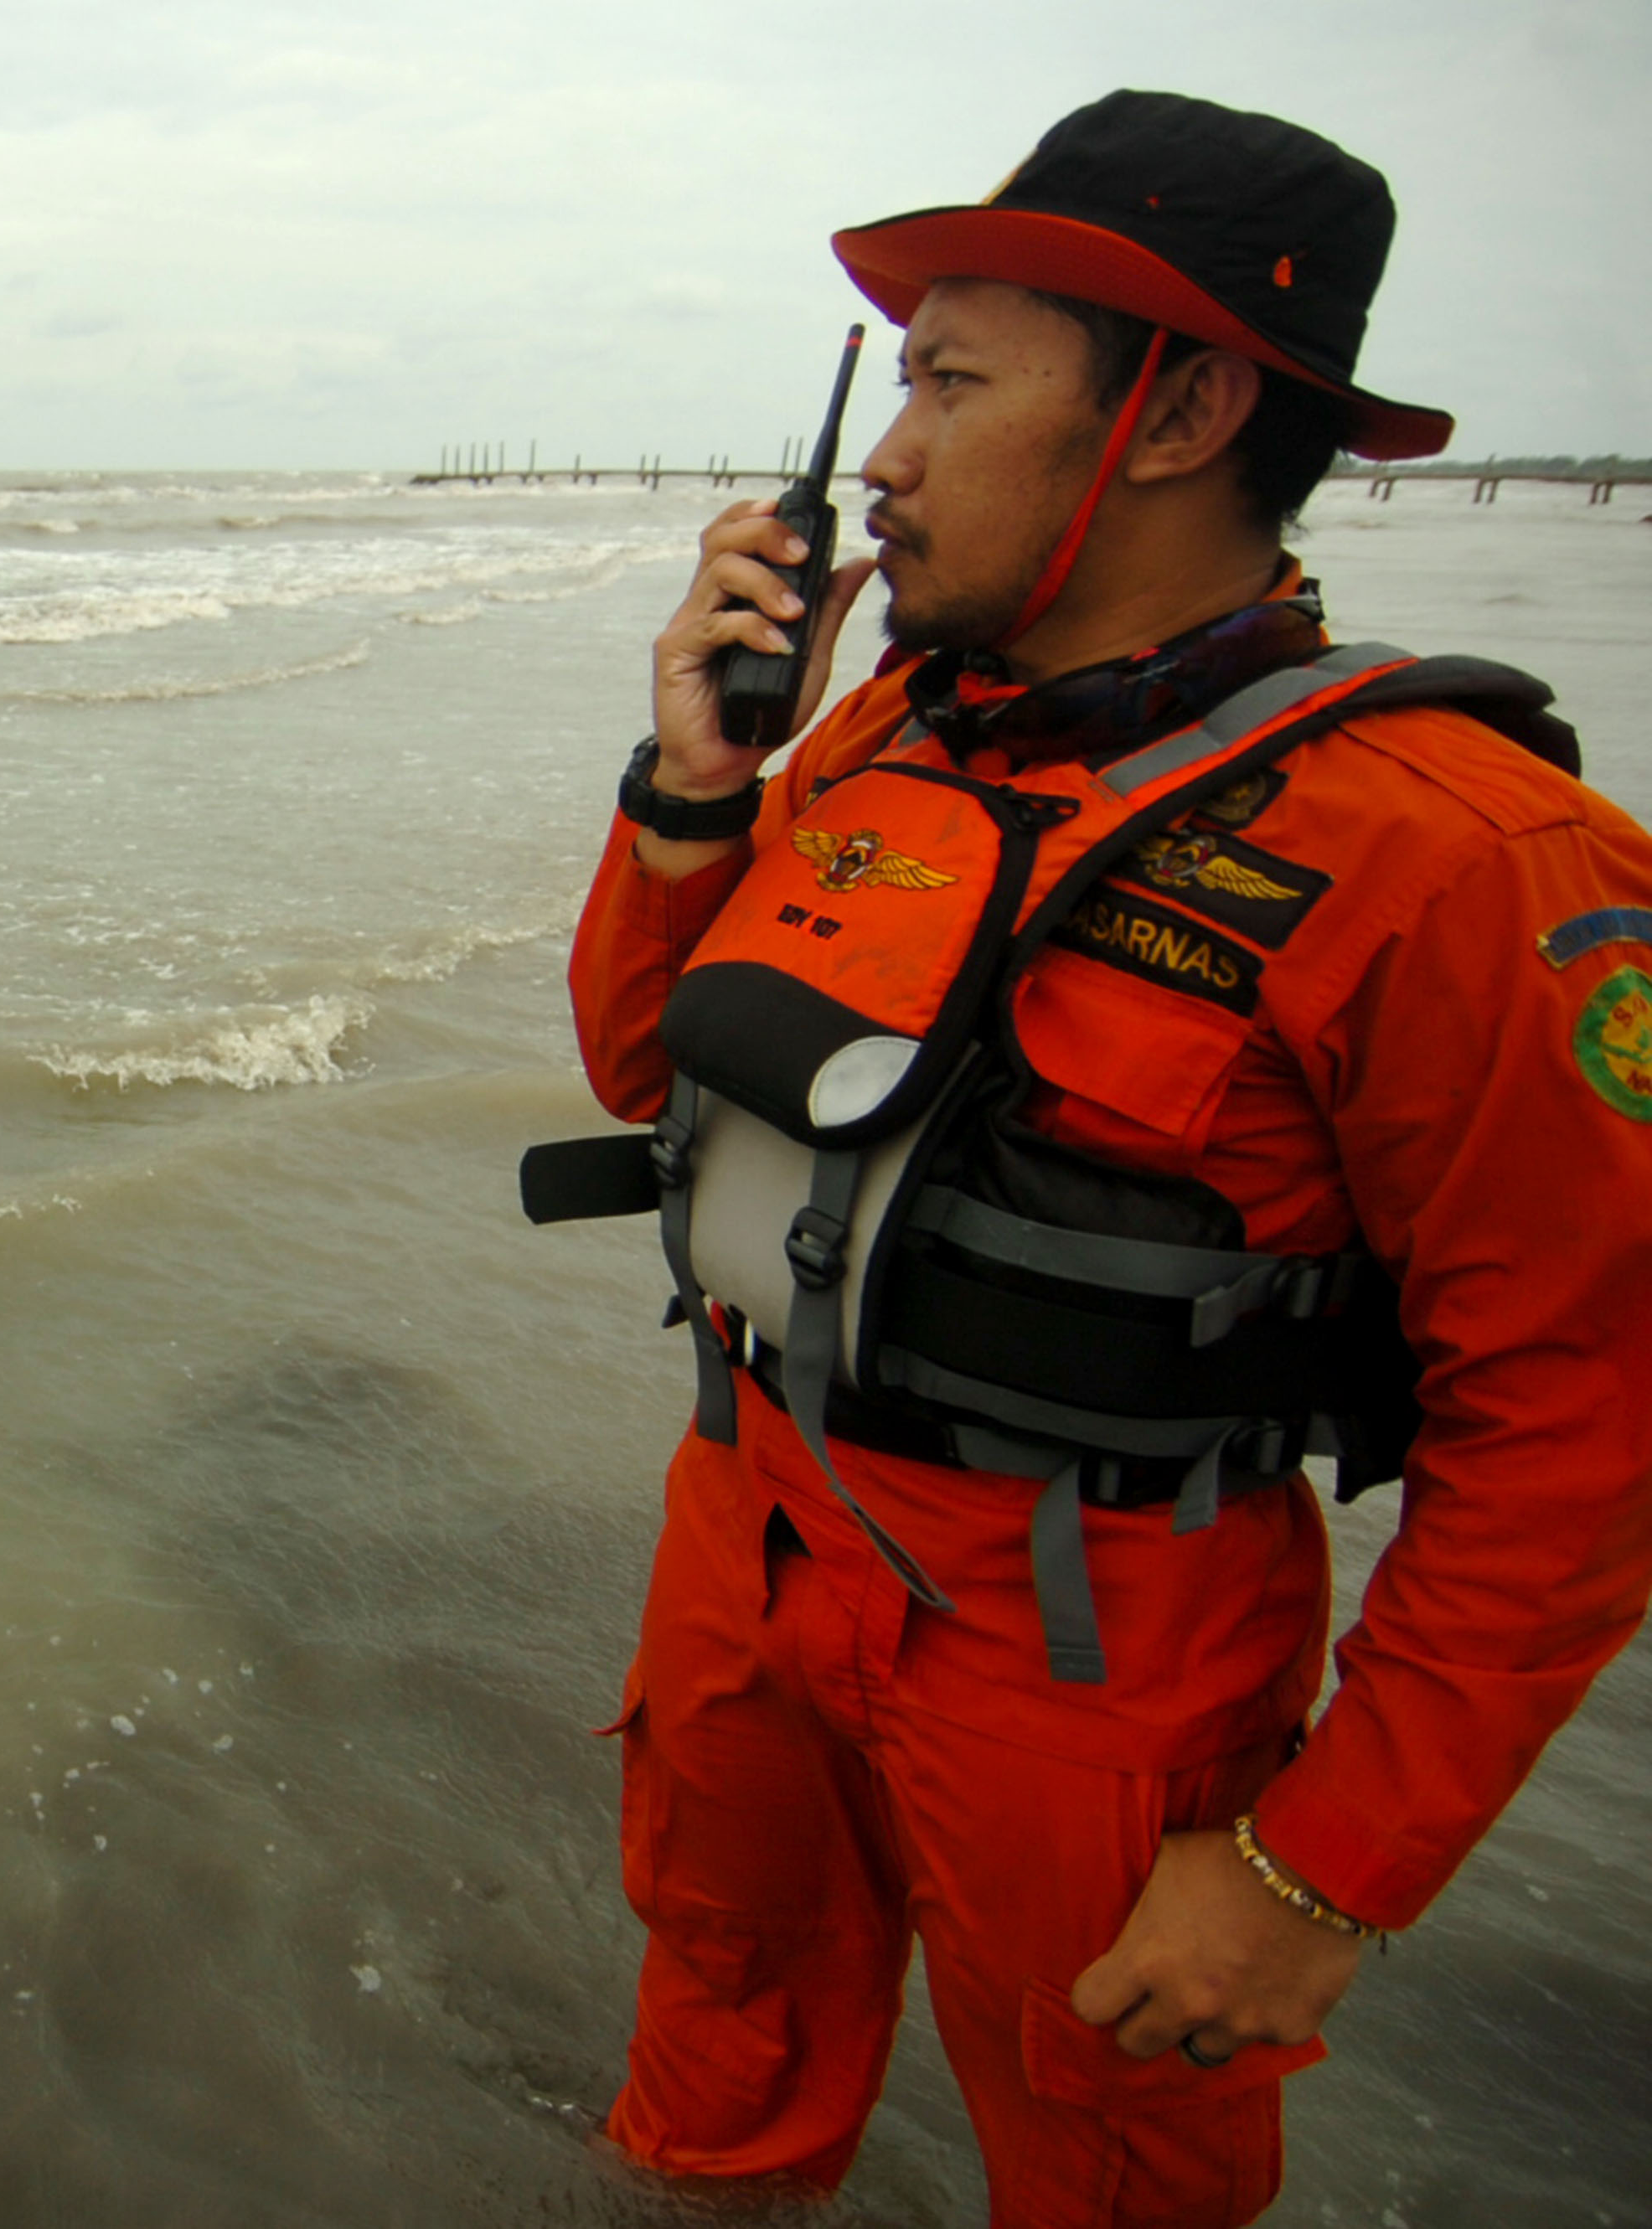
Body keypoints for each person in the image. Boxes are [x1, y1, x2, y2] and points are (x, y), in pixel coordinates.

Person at [539, 90, 1652, 2225]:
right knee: (720, 2020)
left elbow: (1582, 1430)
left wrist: (1323, 1869)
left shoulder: (1466, 860)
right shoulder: (873, 736)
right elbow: (632, 1068)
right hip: (749, 1537)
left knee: (1111, 2160)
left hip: (1087, 1650)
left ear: (1180, 409)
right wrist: (690, 787)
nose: (880, 457)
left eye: (951, 382)